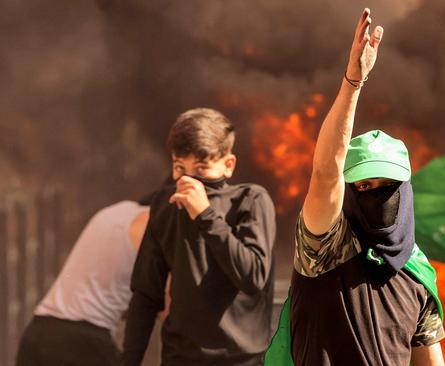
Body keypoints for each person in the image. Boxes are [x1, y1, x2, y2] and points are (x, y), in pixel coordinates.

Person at [267, 8, 445, 366]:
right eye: (363, 186)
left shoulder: (417, 271)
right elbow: (326, 174)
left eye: (386, 186)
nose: (374, 195)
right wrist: (352, 83)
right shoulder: (327, 249)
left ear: (405, 191)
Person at [121, 108, 276, 366]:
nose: (189, 181)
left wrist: (204, 214)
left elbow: (253, 277)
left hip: (242, 361)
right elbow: (146, 294)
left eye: (201, 169)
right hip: (180, 359)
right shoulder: (165, 205)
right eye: (180, 167)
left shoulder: (251, 200)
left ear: (228, 165)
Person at [16, 198, 150, 366]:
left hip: (38, 333)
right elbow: (167, 308)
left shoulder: (116, 211)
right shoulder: (153, 223)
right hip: (82, 342)